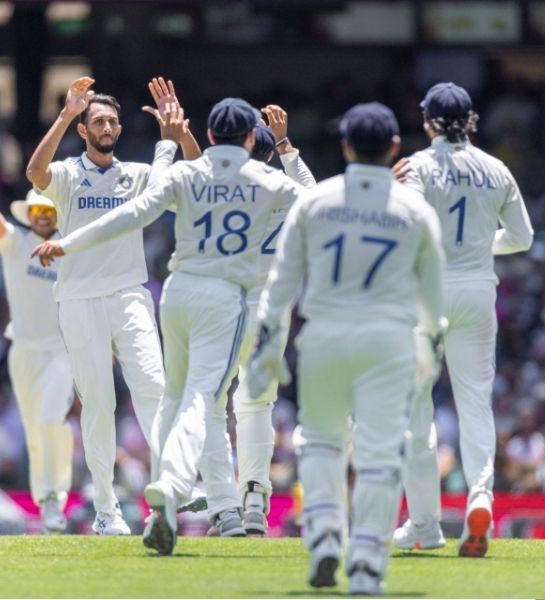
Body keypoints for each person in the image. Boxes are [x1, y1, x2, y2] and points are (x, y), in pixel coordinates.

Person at [31, 97, 306, 553]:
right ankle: (204, 491)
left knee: (180, 397)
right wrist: (292, 152)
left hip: (178, 295)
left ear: (212, 136)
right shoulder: (268, 178)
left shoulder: (184, 174)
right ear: (255, 139)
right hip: (236, 298)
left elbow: (130, 214)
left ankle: (207, 499)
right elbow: (321, 204)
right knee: (224, 400)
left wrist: (68, 243)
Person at [249, 102, 445, 594]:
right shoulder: (415, 208)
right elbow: (434, 301)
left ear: (345, 146)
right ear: (395, 148)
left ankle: (324, 538)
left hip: (325, 337)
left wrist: (267, 345)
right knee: (380, 455)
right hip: (388, 341)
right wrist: (428, 356)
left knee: (320, 442)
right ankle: (367, 559)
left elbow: (280, 284)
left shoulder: (316, 202)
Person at [23, 76, 195, 535]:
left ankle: (171, 489)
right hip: (78, 298)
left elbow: (197, 174)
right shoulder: (66, 173)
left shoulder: (137, 174)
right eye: (97, 120)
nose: (106, 127)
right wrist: (64, 112)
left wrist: (178, 133)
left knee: (155, 388)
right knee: (98, 403)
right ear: (84, 129)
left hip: (129, 294)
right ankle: (106, 511)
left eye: (112, 122)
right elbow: (34, 174)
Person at [391, 82, 533, 558]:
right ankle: (481, 498)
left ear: (428, 120)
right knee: (475, 403)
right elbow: (522, 238)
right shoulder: (496, 169)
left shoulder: (415, 167)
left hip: (427, 292)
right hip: (476, 290)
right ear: (471, 121)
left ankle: (425, 523)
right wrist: (478, 247)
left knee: (416, 408)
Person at [232, 106, 317, 535]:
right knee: (257, 402)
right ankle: (252, 498)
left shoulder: (229, 184)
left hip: (226, 300)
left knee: (210, 400)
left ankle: (220, 499)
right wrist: (287, 148)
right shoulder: (287, 188)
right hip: (272, 310)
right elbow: (315, 195)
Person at [0, 191, 73, 533]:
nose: (42, 216)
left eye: (49, 210)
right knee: (33, 432)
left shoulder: (72, 246)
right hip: (24, 351)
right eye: (37, 210)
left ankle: (55, 500)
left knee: (50, 420)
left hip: (62, 349)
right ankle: (45, 505)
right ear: (28, 214)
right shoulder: (15, 241)